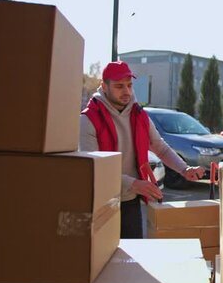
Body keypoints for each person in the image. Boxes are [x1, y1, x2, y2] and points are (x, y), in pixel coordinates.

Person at [79, 61, 205, 239]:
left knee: (133, 258)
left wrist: (184, 169)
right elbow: (93, 168)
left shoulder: (140, 116)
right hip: (100, 204)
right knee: (103, 262)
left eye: (129, 85)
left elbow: (160, 148)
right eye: (119, 86)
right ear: (104, 86)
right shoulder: (87, 120)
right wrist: (134, 183)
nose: (127, 92)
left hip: (131, 202)